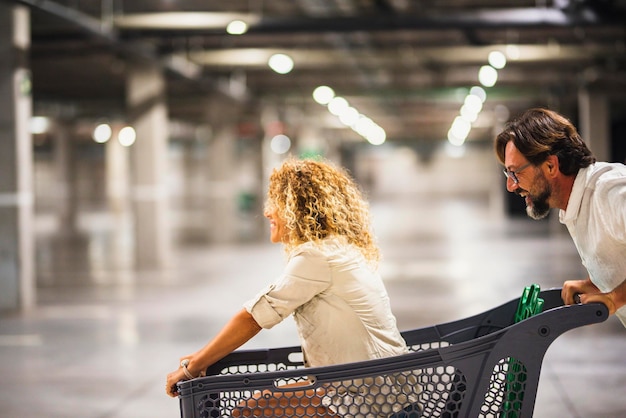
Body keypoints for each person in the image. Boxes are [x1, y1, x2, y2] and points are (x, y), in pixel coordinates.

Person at [166, 157, 416, 416]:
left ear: (299, 207)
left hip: (372, 402)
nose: (267, 211)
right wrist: (201, 357)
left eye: (276, 201)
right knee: (264, 403)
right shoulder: (338, 248)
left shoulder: (317, 257)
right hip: (380, 392)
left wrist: (193, 366)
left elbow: (253, 318)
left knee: (248, 412)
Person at [494, 107, 626, 327]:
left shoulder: (610, 192)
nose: (511, 185)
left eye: (515, 172)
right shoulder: (577, 204)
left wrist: (614, 299)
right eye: (508, 174)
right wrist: (596, 284)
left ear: (550, 166)